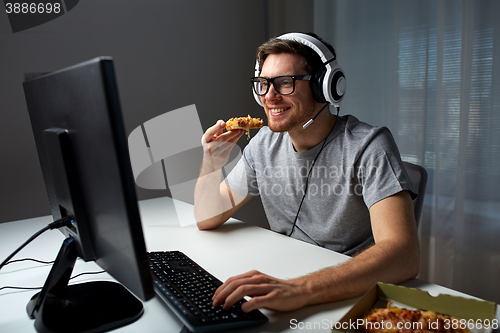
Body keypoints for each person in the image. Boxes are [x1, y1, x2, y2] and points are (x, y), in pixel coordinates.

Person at [193, 32, 420, 313]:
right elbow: (206, 218)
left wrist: (301, 289)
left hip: (348, 295)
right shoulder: (263, 144)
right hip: (289, 279)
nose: (269, 96)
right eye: (263, 84)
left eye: (285, 83)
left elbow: (404, 256)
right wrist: (211, 162)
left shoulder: (368, 146)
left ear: (324, 87)